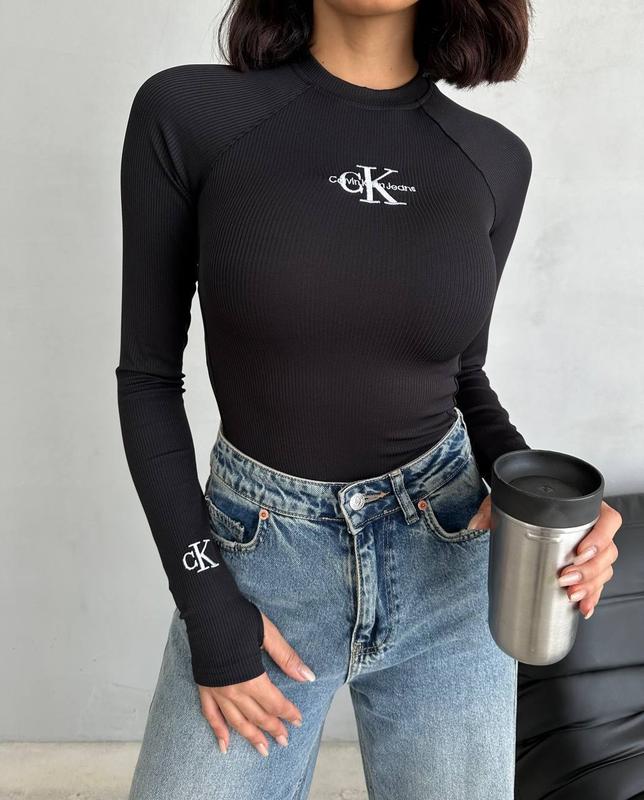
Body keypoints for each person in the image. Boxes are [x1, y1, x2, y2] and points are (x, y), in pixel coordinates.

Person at [115, 1, 621, 797]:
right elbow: (147, 377)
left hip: (449, 559)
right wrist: (206, 602)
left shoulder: (494, 160)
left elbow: (463, 374)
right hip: (261, 565)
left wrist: (544, 501)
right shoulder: (189, 113)